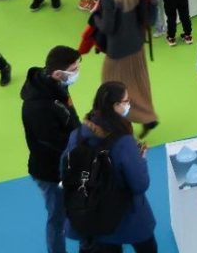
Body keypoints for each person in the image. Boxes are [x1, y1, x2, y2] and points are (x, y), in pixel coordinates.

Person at [60, 82, 158, 253]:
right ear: (116, 105)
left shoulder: (77, 135)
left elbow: (65, 170)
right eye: (127, 101)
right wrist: (141, 160)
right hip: (126, 214)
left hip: (92, 212)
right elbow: (140, 184)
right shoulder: (123, 142)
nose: (129, 104)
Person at [94, 0, 161, 138]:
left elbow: (108, 27)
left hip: (117, 51)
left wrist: (95, 16)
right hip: (137, 46)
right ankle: (147, 116)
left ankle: (121, 124)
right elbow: (145, 18)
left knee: (110, 88)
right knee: (139, 84)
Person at [21, 45, 81, 253]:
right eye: (73, 70)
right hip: (51, 173)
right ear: (57, 73)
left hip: (68, 164)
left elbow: (69, 113)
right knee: (57, 218)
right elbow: (55, 142)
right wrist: (84, 143)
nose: (77, 72)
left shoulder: (57, 85)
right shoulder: (37, 107)